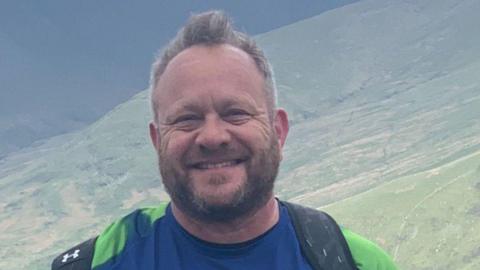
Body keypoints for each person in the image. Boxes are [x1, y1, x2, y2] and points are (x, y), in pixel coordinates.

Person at [52, 10, 398, 270]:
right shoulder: (101, 263)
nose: (213, 136)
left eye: (236, 113)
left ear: (279, 130)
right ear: (157, 140)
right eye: (187, 119)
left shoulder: (352, 262)